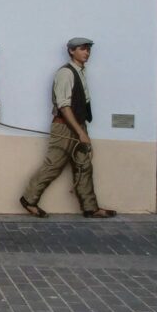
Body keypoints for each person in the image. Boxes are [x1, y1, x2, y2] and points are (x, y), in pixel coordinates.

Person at [19, 37, 116, 219]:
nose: (86, 53)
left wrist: (82, 129)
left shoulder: (80, 72)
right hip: (64, 128)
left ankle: (90, 208)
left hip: (79, 125)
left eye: (88, 49)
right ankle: (28, 200)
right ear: (71, 51)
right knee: (53, 166)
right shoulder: (65, 73)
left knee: (84, 166)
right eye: (82, 49)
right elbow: (64, 106)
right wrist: (80, 133)